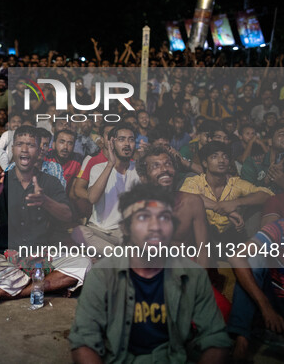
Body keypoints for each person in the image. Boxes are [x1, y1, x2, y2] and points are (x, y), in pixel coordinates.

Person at [69, 183, 231, 363]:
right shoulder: (102, 275)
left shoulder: (193, 276)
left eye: (163, 218)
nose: (155, 226)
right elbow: (84, 343)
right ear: (125, 227)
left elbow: (216, 340)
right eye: (143, 217)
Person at [0, 125, 91, 302]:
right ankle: (47, 285)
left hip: (44, 257)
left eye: (31, 145)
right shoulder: (0, 181)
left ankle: (21, 290)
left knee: (84, 263)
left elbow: (68, 216)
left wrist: (46, 201)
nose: (25, 149)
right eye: (20, 144)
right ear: (13, 149)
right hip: (8, 256)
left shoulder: (50, 182)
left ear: (40, 151)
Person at [228, 172, 284, 360]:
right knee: (252, 260)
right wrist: (265, 307)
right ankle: (242, 337)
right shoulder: (282, 227)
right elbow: (236, 257)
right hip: (277, 299)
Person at [180, 141, 273, 242]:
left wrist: (235, 203)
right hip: (202, 238)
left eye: (225, 157)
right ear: (205, 163)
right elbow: (185, 196)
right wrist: (220, 208)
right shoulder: (195, 181)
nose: (221, 160)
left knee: (255, 206)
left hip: (230, 237)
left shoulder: (235, 183)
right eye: (214, 157)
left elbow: (267, 195)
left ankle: (250, 252)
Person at [71, 123, 140, 256]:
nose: (127, 144)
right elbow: (92, 198)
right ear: (112, 143)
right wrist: (110, 164)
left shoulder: (139, 169)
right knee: (78, 232)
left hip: (126, 234)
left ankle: (115, 257)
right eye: (122, 139)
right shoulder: (99, 168)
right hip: (99, 230)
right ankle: (120, 257)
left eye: (131, 140)